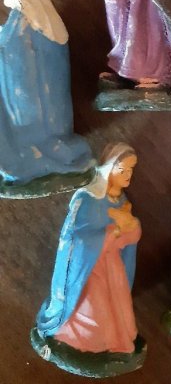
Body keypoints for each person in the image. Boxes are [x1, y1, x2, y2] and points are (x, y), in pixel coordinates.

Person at [34, 143, 144, 373]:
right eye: (122, 169)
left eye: (131, 169)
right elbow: (77, 241)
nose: (128, 175)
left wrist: (132, 227)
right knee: (94, 311)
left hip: (112, 268)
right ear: (109, 169)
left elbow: (130, 237)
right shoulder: (88, 199)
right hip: (87, 272)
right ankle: (74, 341)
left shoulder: (121, 201)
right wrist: (115, 231)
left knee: (118, 311)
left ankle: (115, 345)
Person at [0, 0, 93, 189]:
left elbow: (15, 56)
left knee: (27, 145)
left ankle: (35, 159)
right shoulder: (43, 21)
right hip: (46, 111)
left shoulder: (24, 23)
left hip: (29, 108)